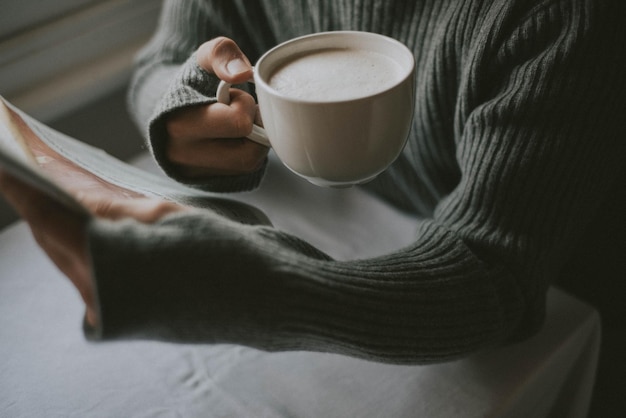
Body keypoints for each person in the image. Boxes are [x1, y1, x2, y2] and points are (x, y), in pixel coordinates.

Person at [1, 0, 624, 412]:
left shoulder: (565, 19)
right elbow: (161, 63)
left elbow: (491, 275)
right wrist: (179, 119)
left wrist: (256, 289)